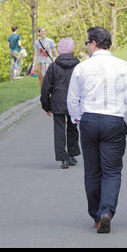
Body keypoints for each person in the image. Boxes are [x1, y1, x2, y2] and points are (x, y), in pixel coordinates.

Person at [67, 27, 127, 234]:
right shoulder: (122, 66)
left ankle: (96, 214)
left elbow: (73, 98)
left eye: (87, 43)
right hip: (114, 120)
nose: (87, 47)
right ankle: (106, 211)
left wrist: (77, 117)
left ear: (94, 43)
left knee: (92, 171)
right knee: (112, 170)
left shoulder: (82, 68)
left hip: (90, 119)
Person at [41, 38, 81, 170]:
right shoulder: (78, 66)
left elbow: (46, 87)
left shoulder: (54, 66)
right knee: (72, 128)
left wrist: (45, 105)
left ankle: (62, 158)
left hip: (58, 102)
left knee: (59, 130)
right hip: (74, 102)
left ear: (59, 50)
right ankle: (72, 154)